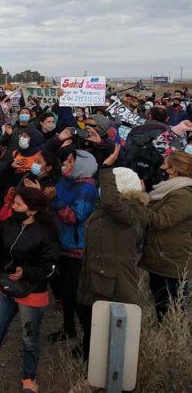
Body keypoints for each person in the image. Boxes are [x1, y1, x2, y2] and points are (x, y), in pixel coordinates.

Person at [0, 187, 60, 393]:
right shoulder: (8, 224)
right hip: (6, 287)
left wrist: (26, 273)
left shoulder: (46, 232)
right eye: (13, 203)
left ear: (32, 210)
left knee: (29, 338)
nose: (13, 207)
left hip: (32, 292)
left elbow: (51, 268)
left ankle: (29, 379)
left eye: (18, 204)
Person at [76, 167, 146, 360]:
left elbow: (111, 203)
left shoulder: (129, 212)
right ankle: (88, 357)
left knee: (105, 336)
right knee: (92, 327)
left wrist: (107, 169)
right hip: (98, 279)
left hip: (112, 285)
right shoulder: (107, 211)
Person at [48, 150, 98, 343]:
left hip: (76, 248)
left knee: (73, 294)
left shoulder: (87, 189)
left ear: (81, 166)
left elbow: (75, 217)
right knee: (63, 291)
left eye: (70, 161)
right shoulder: (66, 181)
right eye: (67, 160)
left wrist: (55, 200)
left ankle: (86, 337)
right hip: (61, 242)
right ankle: (68, 329)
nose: (65, 164)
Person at [137, 150, 192, 320]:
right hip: (162, 257)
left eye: (165, 164)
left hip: (171, 261)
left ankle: (172, 333)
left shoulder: (183, 195)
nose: (161, 167)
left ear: (173, 169)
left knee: (173, 307)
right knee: (161, 303)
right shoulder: (169, 190)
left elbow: (160, 221)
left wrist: (139, 201)